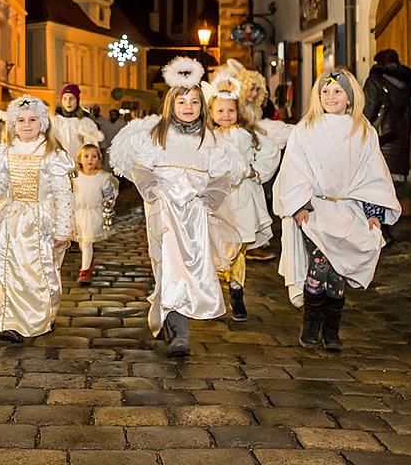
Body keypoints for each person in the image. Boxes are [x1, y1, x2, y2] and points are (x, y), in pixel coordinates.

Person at [109, 57, 245, 357]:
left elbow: (223, 174)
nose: (188, 106)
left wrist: (210, 197)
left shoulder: (209, 139)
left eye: (194, 102)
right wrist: (152, 188)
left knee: (193, 269)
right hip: (166, 213)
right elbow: (141, 168)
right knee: (169, 267)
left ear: (202, 107)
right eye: (182, 101)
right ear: (171, 104)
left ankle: (176, 320)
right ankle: (178, 330)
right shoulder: (156, 135)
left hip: (195, 216)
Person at [274, 69, 400, 352]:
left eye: (337, 91)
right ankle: (310, 325)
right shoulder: (306, 129)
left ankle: (331, 329)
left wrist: (372, 212)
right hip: (317, 212)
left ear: (350, 97)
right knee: (319, 267)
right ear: (318, 96)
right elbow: (295, 168)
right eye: (325, 91)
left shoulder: (362, 131)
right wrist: (300, 206)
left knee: (338, 273)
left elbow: (373, 173)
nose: (331, 97)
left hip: (348, 211)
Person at [0, 96, 74, 343]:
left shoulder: (52, 155)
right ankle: (10, 323)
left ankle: (40, 317)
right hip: (12, 223)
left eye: (32, 120)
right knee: (12, 272)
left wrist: (63, 229)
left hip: (41, 222)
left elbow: (63, 194)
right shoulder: (5, 154)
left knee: (40, 272)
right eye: (21, 120)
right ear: (12, 125)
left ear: (43, 123)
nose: (26, 125)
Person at [205, 75, 280, 321]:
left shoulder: (247, 135)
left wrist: (254, 172)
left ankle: (236, 289)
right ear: (211, 112)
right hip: (218, 199)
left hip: (242, 198)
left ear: (238, 111)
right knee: (216, 244)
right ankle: (215, 288)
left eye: (230, 110)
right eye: (220, 110)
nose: (225, 114)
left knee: (239, 246)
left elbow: (269, 152)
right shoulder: (207, 137)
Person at [72, 143, 119, 285]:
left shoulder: (103, 178)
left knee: (86, 242)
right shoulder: (75, 177)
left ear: (98, 159)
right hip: (78, 213)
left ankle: (84, 271)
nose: (89, 159)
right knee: (82, 241)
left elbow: (109, 194)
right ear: (80, 159)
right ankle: (89, 260)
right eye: (86, 156)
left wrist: (108, 204)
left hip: (93, 213)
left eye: (93, 156)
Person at [363, 49, 411, 180]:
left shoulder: (375, 81)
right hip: (401, 138)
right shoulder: (407, 83)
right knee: (398, 185)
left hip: (381, 138)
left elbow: (368, 111)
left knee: (377, 183)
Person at [51, 84, 104, 159]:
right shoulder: (55, 121)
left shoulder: (85, 122)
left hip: (79, 164)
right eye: (65, 98)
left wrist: (87, 136)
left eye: (71, 98)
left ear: (77, 100)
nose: (68, 102)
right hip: (59, 165)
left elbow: (94, 144)